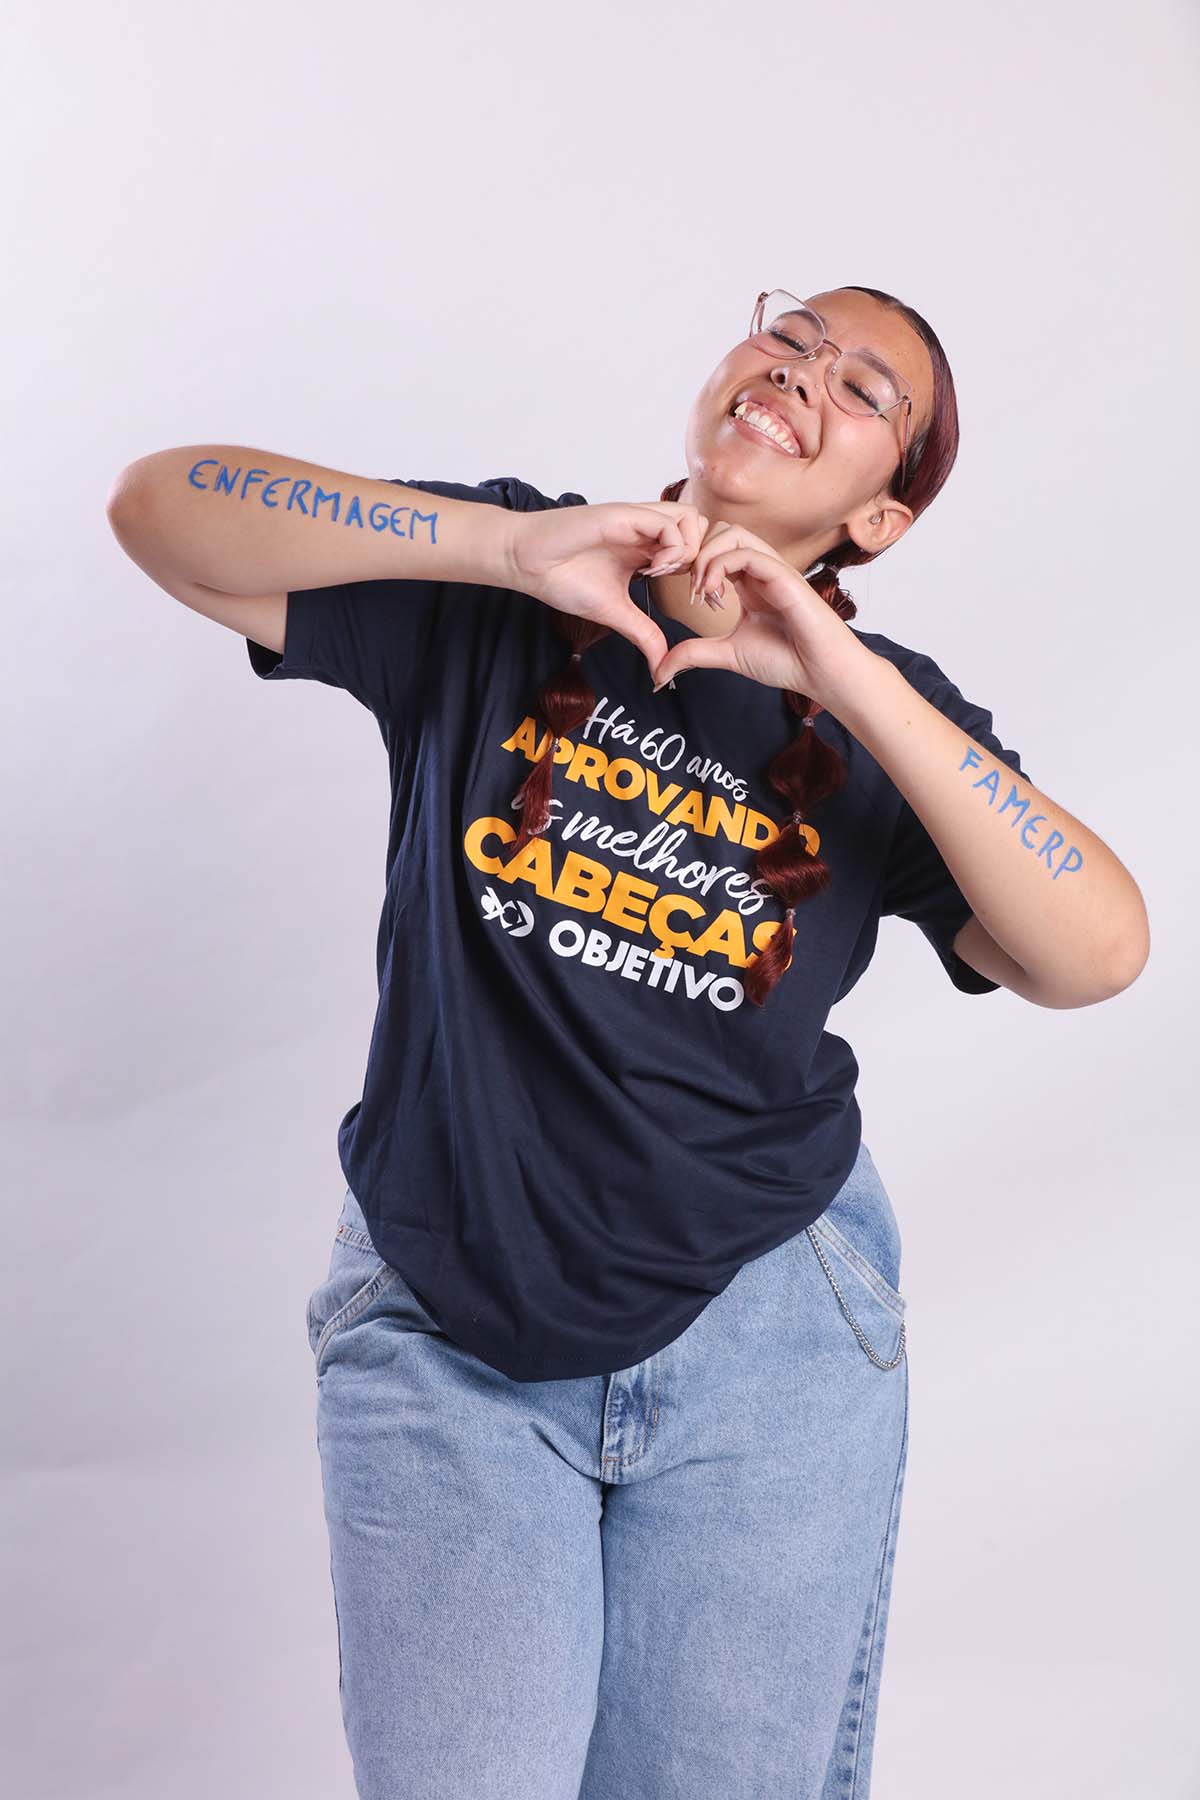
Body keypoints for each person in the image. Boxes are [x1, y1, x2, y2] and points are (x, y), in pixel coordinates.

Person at [107, 284, 1148, 1799]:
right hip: (451, 1308)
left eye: (864, 390)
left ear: (880, 518)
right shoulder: (505, 580)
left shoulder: (888, 722)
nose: (802, 374)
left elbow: (1097, 951)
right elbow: (162, 508)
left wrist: (838, 673)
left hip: (771, 1339)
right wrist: (501, 546)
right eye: (789, 337)